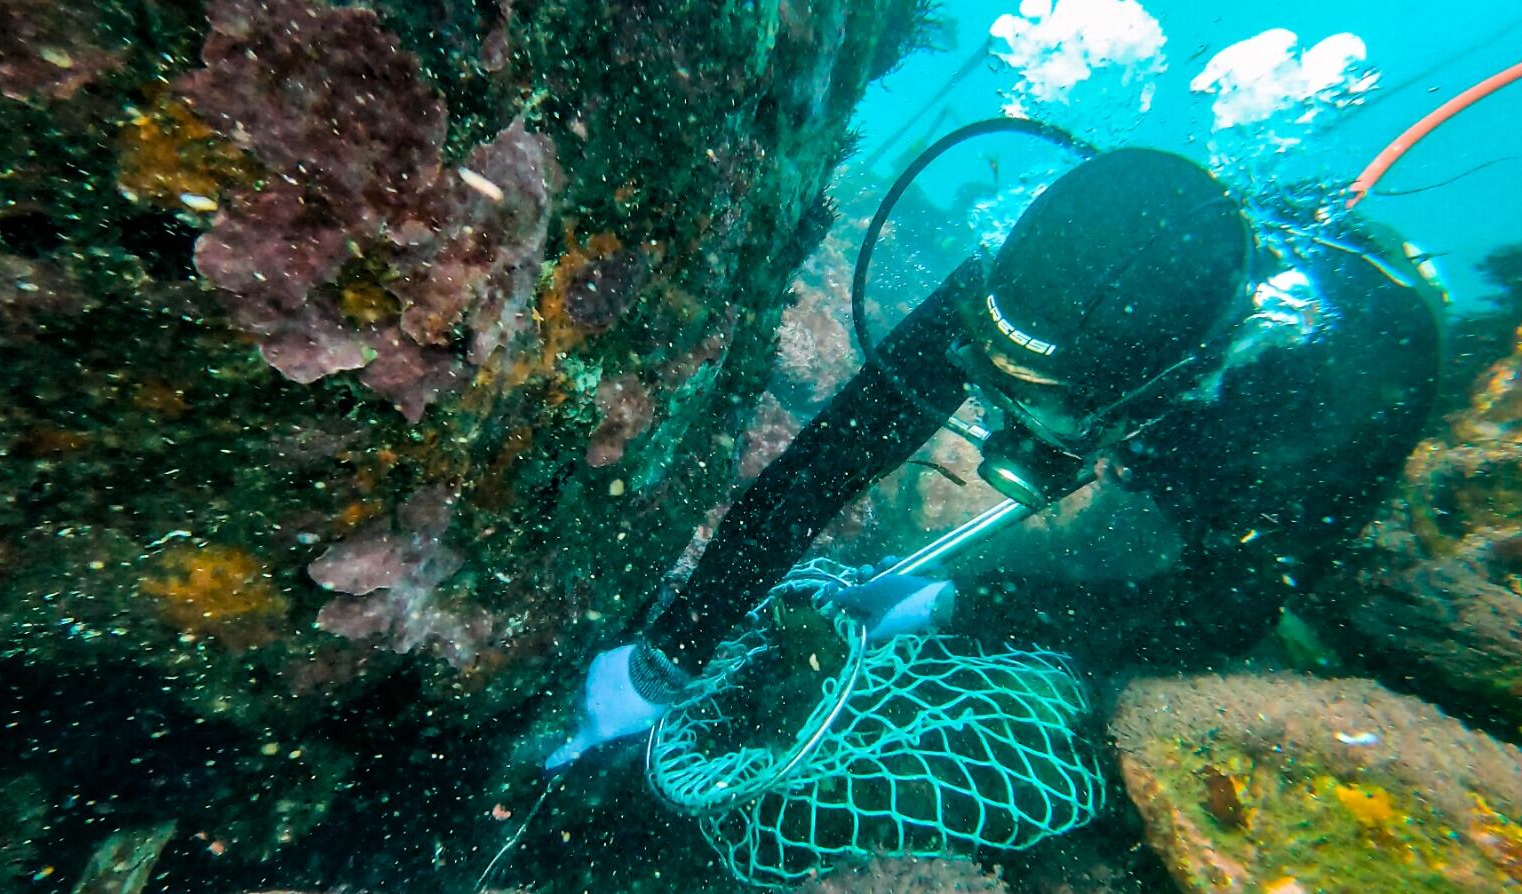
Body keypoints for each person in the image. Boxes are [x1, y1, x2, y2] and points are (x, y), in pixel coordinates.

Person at [546, 145, 1443, 771]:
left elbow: (1217, 613)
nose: (1002, 423)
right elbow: (820, 467)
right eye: (990, 378)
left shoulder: (1314, 411)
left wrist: (963, 603)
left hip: (1276, 418)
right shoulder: (1016, 292)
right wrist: (666, 657)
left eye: (1037, 408)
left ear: (1151, 394)